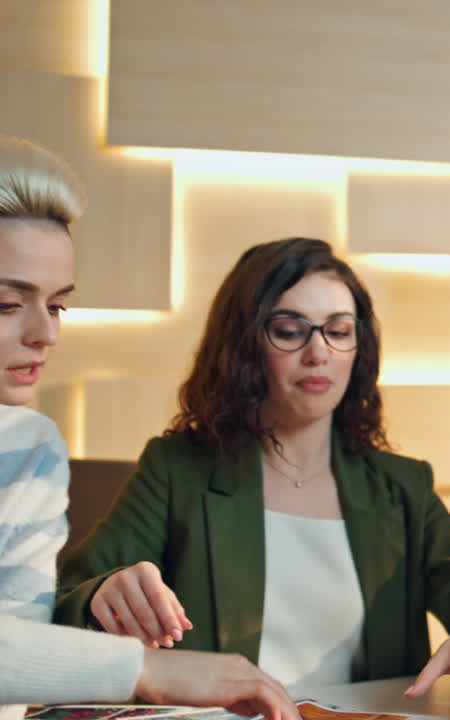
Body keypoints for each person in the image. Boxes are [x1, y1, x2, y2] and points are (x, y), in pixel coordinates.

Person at [55, 237, 450, 719]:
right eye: (290, 331)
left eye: (339, 330)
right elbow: (64, 605)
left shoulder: (400, 486)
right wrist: (102, 597)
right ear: (244, 345)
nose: (319, 352)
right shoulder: (177, 470)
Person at [0, 136, 298, 720]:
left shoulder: (33, 448)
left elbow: (17, 661)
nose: (46, 334)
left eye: (57, 306)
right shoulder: (175, 463)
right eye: (7, 305)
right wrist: (147, 668)